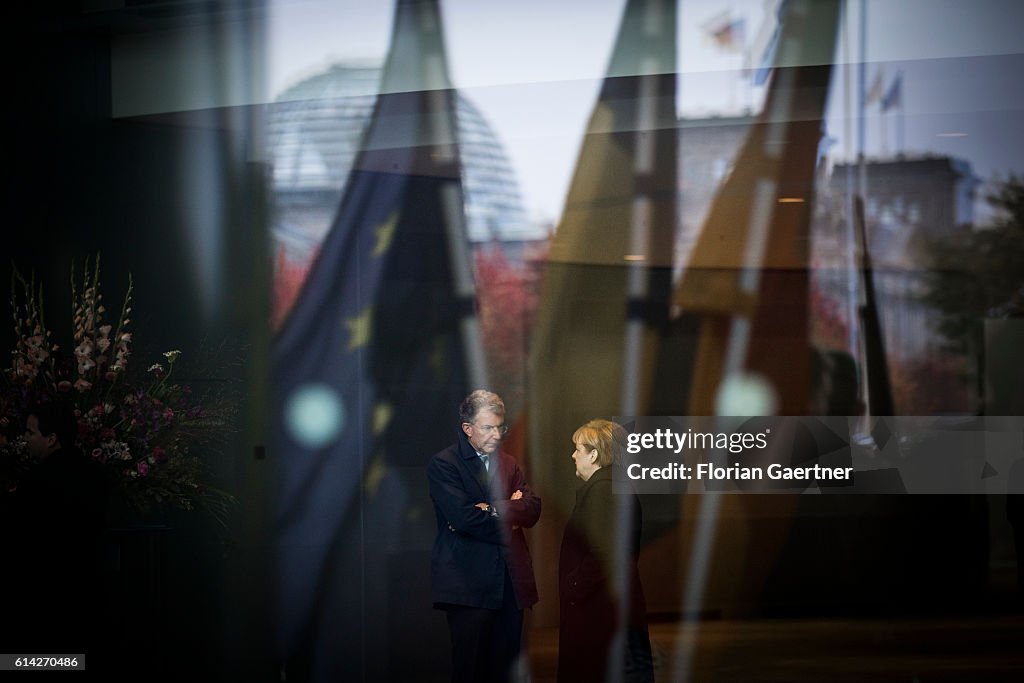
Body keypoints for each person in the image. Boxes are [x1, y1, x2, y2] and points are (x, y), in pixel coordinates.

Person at [427, 390, 541, 683]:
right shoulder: (445, 464)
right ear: (468, 428)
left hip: (510, 586)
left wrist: (492, 508)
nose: (497, 434)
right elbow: (465, 518)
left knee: (507, 671)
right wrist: (510, 511)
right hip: (469, 587)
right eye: (488, 427)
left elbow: (532, 510)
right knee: (472, 670)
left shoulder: (509, 463)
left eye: (500, 427)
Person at [8, 401, 109, 652]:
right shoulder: (97, 475)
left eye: (31, 433)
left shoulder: (36, 481)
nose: (25, 438)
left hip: (44, 597)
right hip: (89, 594)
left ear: (51, 438)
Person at [558, 419, 654, 683]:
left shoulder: (603, 491)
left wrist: (573, 585)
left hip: (599, 612)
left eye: (578, 449)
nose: (573, 455)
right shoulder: (614, 486)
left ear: (594, 454)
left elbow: (606, 553)